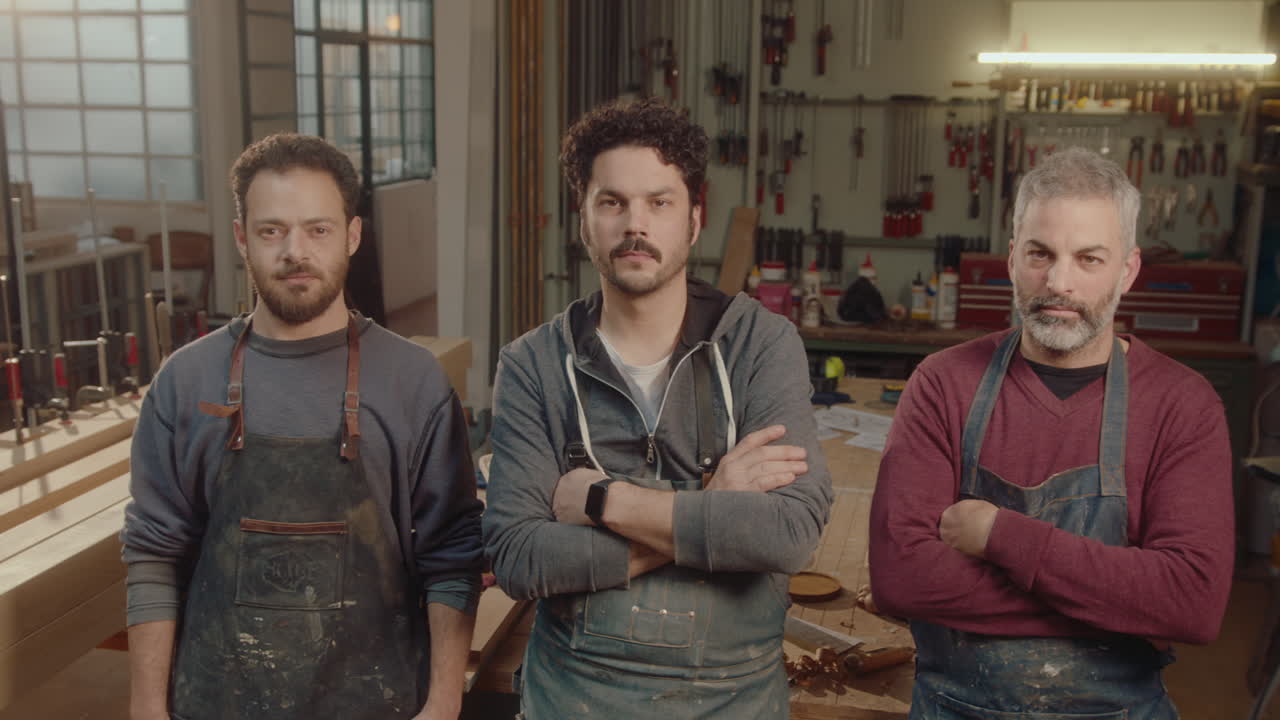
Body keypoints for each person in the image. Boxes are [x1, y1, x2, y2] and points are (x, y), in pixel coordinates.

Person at [482, 98, 833, 719]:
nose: (634, 224)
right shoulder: (533, 366)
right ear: (584, 220)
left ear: (694, 220)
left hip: (733, 701)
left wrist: (601, 502)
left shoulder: (759, 344)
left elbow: (787, 534)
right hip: (575, 698)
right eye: (611, 202)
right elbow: (517, 556)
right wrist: (711, 506)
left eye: (659, 202)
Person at [120, 133, 484, 720]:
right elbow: (153, 554)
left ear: (353, 235)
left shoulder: (412, 382)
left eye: (318, 229)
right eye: (272, 231)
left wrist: (441, 705)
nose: (295, 251)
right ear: (243, 238)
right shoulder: (186, 381)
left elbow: (453, 555)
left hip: (379, 702)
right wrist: (146, 708)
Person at [869, 146, 1234, 718]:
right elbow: (902, 580)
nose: (1059, 281)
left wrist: (998, 536)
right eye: (1041, 254)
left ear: (1128, 270)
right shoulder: (941, 385)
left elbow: (1192, 602)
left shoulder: (1182, 405)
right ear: (1013, 258)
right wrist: (1118, 605)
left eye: (1089, 259)